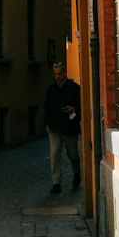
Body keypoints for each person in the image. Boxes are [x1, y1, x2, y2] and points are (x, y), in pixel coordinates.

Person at [45, 60, 81, 194]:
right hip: (54, 128)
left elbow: (82, 105)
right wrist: (47, 124)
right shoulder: (51, 90)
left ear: (65, 73)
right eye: (55, 74)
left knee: (73, 155)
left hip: (69, 127)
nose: (57, 76)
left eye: (60, 73)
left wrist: (73, 110)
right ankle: (56, 183)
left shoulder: (74, 88)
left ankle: (77, 173)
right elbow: (46, 108)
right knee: (54, 156)